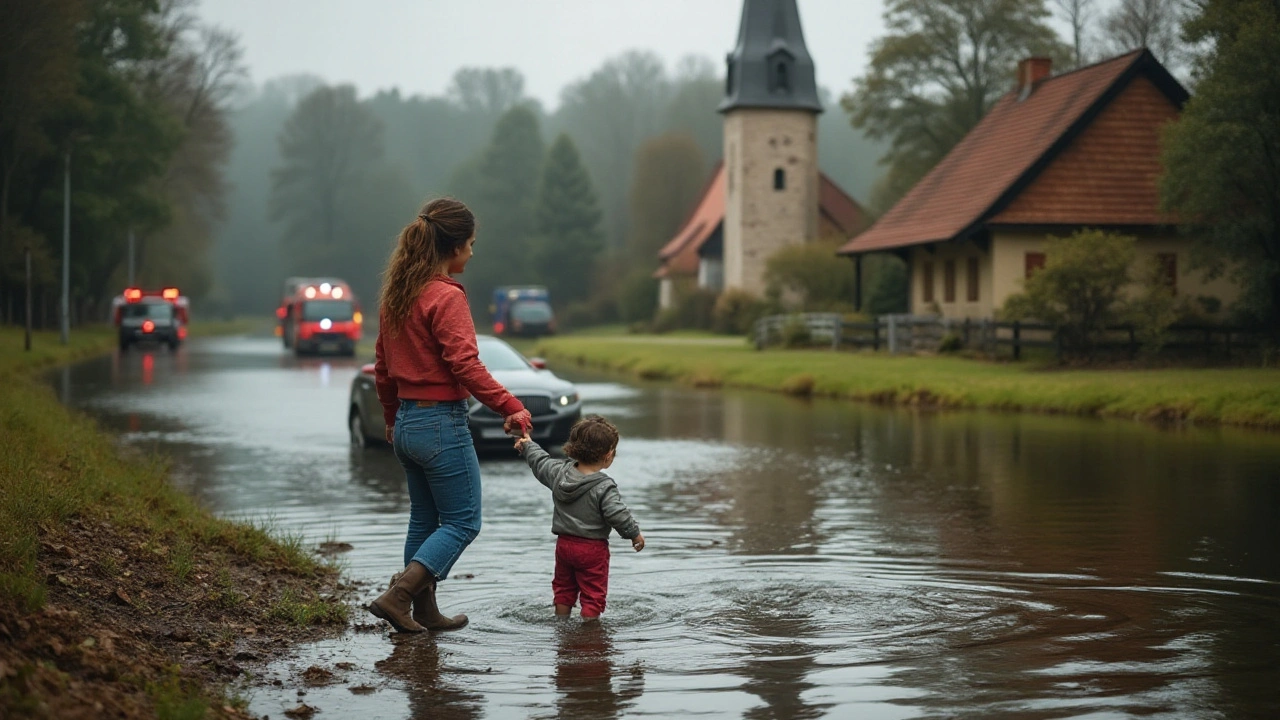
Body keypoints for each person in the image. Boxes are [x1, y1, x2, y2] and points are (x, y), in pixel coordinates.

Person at [368, 197, 532, 634]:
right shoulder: (446, 297)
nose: (473, 253)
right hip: (441, 423)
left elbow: (382, 369)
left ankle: (422, 611)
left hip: (406, 422)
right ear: (453, 246)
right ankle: (399, 596)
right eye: (471, 244)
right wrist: (510, 405)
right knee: (463, 521)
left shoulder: (396, 296)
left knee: (424, 519)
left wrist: (390, 420)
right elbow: (466, 365)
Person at [514, 415, 644, 621]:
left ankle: (561, 622)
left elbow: (540, 462)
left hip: (564, 546)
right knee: (593, 594)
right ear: (608, 455)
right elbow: (617, 513)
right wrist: (634, 534)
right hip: (592, 550)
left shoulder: (559, 473)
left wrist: (528, 445)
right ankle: (590, 634)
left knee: (564, 588)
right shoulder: (604, 486)